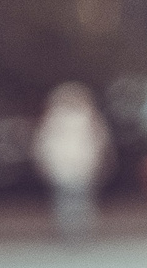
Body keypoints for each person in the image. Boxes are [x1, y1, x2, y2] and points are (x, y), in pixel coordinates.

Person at [31, 82, 109, 243]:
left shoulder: (88, 117)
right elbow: (44, 143)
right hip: (63, 166)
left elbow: (100, 142)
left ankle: (79, 233)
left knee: (80, 201)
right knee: (65, 202)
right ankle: (70, 233)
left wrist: (99, 160)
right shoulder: (54, 118)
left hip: (82, 165)